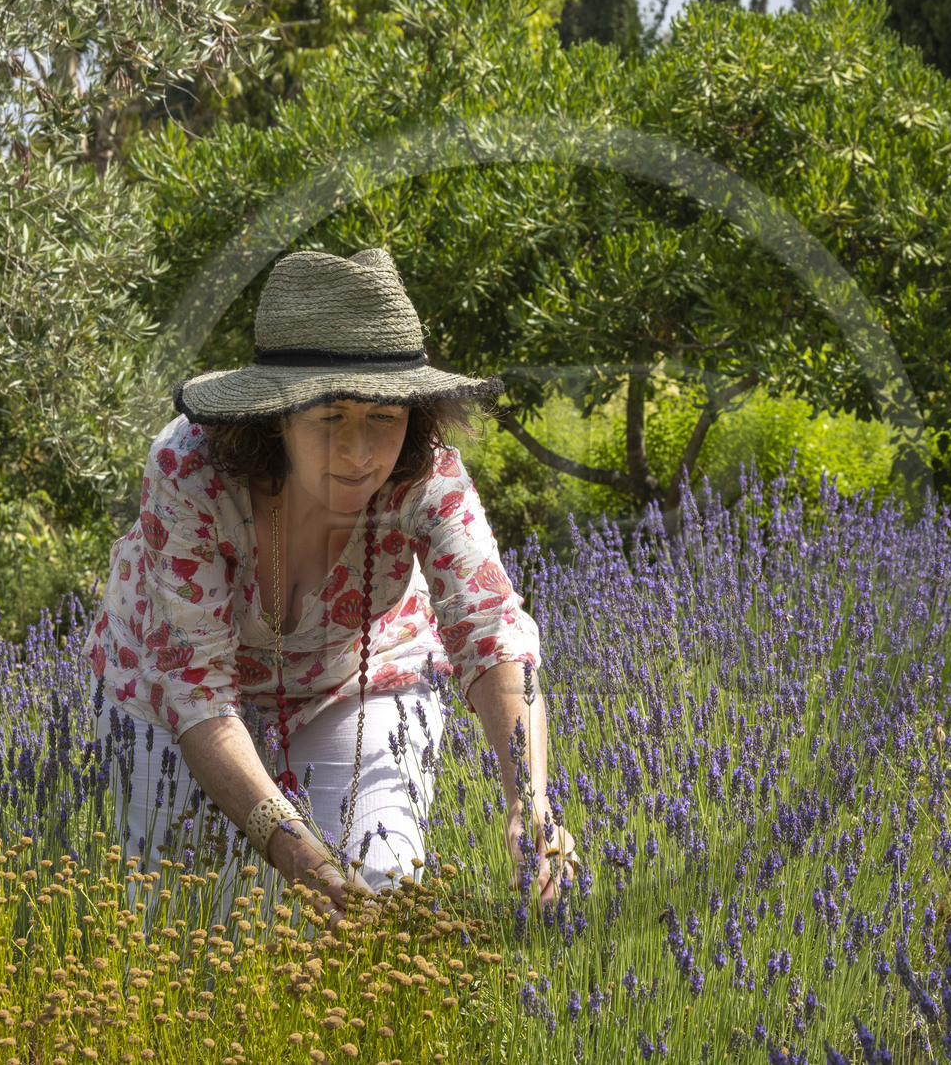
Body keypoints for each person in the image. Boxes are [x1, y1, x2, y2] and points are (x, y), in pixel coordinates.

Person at [81, 246, 581, 932]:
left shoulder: (427, 476)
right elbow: (196, 692)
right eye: (329, 418)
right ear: (274, 415)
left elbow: (490, 626)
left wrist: (529, 799)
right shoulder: (189, 470)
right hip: (169, 698)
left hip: (354, 681)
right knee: (184, 923)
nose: (358, 452)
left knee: (379, 890)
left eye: (383, 417)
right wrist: (299, 857)